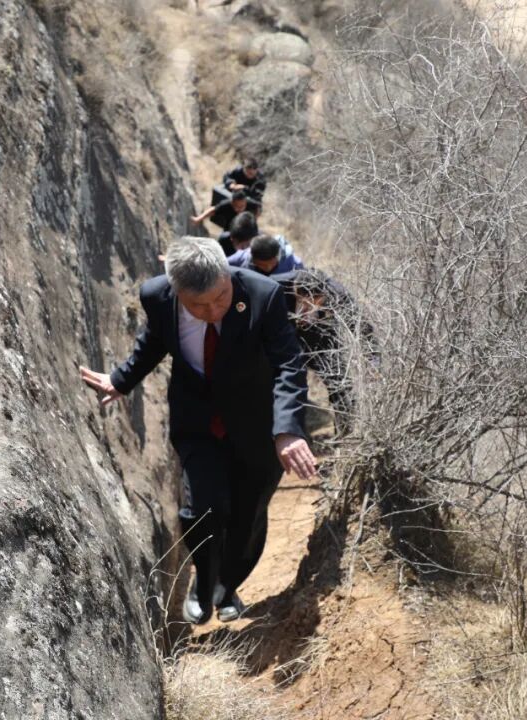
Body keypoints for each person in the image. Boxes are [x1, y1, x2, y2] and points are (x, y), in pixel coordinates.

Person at [79, 236, 317, 625]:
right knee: (204, 509)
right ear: (177, 292)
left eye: (220, 298)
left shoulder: (264, 295)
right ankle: (203, 584)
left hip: (258, 425)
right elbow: (154, 341)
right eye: (198, 305)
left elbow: (288, 364)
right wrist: (121, 380)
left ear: (228, 275)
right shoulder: (157, 297)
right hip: (198, 423)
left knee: (247, 515)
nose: (212, 310)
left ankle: (228, 586)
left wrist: (287, 429)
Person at [274, 268, 376, 432]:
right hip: (286, 338)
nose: (306, 309)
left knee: (340, 385)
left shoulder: (337, 294)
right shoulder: (277, 285)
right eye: (302, 302)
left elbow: (362, 327)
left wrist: (373, 361)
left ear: (322, 296)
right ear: (295, 290)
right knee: (286, 381)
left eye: (313, 303)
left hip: (321, 338)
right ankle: (287, 431)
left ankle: (345, 433)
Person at [228, 233, 305, 276]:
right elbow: (223, 267)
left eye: (272, 264)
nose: (268, 268)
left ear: (277, 256)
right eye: (262, 265)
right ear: (253, 258)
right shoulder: (242, 258)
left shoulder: (294, 264)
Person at [190, 190, 262, 232]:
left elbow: (258, 207)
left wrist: (255, 218)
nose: (240, 209)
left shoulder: (251, 203)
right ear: (232, 203)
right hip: (231, 229)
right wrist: (198, 219)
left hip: (248, 228)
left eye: (242, 206)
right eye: (237, 207)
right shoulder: (226, 205)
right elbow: (213, 210)